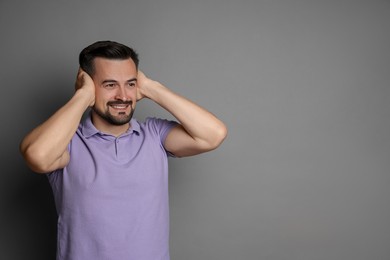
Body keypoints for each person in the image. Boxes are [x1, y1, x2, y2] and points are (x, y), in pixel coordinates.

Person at [20, 41, 227, 260]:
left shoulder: (154, 135)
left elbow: (213, 135)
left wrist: (151, 88)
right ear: (89, 86)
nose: (123, 96)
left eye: (130, 84)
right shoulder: (67, 143)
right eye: (110, 85)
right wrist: (82, 96)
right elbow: (38, 156)